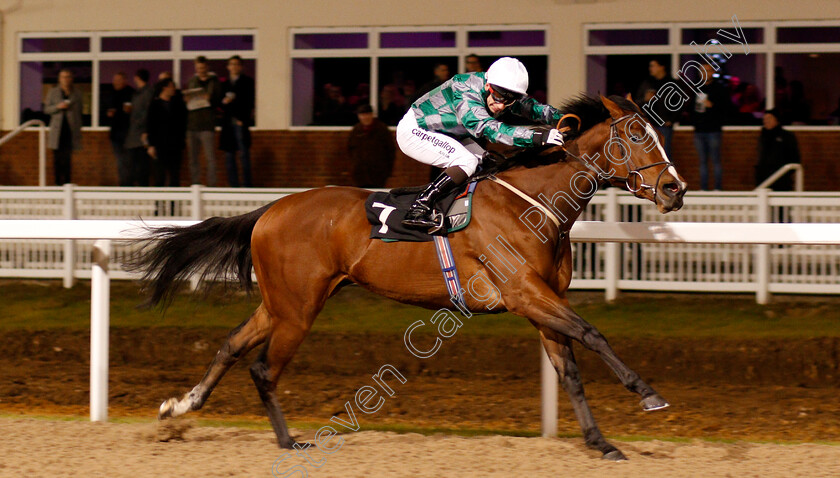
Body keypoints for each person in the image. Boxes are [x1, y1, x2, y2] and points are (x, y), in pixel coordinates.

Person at [397, 57, 564, 229]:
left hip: (447, 132)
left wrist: (563, 117)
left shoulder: (501, 90)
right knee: (467, 162)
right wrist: (536, 136)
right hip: (416, 130)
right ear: (487, 86)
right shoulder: (464, 88)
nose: (500, 106)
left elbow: (532, 108)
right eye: (498, 97)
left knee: (490, 164)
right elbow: (486, 128)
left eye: (509, 101)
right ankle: (419, 208)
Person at [690, 63, 731, 191]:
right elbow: (690, 108)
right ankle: (703, 188)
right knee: (702, 162)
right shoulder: (696, 88)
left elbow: (726, 109)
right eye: (702, 70)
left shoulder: (719, 88)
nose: (705, 73)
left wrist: (711, 105)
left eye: (708, 70)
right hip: (699, 130)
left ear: (713, 72)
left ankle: (717, 188)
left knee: (715, 161)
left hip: (713, 130)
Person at [185, 56, 222, 186]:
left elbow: (218, 101)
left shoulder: (214, 82)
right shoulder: (192, 81)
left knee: (210, 158)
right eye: (198, 68)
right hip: (192, 125)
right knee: (193, 158)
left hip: (207, 125)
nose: (201, 70)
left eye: (203, 67)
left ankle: (212, 185)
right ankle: (196, 183)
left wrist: (210, 98)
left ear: (207, 67)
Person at [220, 55, 255, 187]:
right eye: (231, 64)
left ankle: (247, 185)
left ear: (241, 67)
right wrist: (225, 102)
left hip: (240, 121)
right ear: (228, 67)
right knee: (229, 155)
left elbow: (249, 102)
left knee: (243, 154)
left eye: (236, 64)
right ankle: (233, 185)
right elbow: (220, 103)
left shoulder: (247, 82)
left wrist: (243, 119)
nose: (234, 67)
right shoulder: (224, 83)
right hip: (228, 123)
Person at [43, 69, 83, 185]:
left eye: (68, 77)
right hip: (57, 131)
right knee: (57, 159)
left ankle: (67, 183)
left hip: (70, 131)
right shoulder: (53, 92)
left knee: (67, 159)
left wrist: (79, 129)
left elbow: (79, 112)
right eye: (63, 77)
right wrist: (58, 107)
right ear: (59, 79)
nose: (65, 79)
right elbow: (46, 110)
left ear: (72, 78)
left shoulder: (77, 93)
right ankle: (57, 184)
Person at [147, 78, 187, 187]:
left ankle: (175, 203)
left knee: (175, 175)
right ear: (164, 88)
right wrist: (151, 145)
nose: (173, 89)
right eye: (171, 86)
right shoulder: (155, 105)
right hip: (160, 144)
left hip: (175, 144)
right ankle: (160, 202)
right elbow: (151, 125)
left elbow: (182, 122)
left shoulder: (177, 104)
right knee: (160, 175)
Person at [636, 59, 679, 159]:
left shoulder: (671, 83)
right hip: (648, 124)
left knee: (665, 153)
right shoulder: (647, 83)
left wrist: (671, 120)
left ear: (661, 67)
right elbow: (636, 102)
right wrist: (644, 99)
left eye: (653, 66)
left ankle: (668, 174)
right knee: (648, 154)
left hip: (664, 125)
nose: (650, 68)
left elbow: (680, 105)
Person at [347, 104, 396, 188]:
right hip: (359, 173)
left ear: (372, 115)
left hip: (378, 173)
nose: (365, 117)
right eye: (362, 115)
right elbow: (350, 150)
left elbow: (390, 150)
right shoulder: (356, 130)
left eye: (367, 114)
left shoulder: (382, 129)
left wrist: (387, 170)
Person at [755, 109, 800, 191]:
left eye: (769, 118)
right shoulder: (762, 137)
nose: (766, 121)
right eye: (764, 119)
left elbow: (795, 158)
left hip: (782, 181)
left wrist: (784, 174)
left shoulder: (787, 136)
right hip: (764, 180)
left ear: (776, 120)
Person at [103, 72, 134, 186]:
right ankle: (123, 185)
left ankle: (128, 185)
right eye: (115, 80)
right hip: (115, 134)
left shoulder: (130, 93)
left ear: (124, 81)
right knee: (120, 161)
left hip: (128, 133)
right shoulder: (111, 94)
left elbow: (136, 113)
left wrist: (130, 111)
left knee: (128, 161)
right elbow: (105, 110)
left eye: (119, 80)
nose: (116, 83)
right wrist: (108, 114)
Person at [124, 69, 154, 186]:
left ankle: (142, 191)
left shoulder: (147, 93)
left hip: (141, 136)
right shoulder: (138, 93)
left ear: (137, 78)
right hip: (134, 136)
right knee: (133, 167)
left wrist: (137, 122)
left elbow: (147, 113)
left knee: (142, 168)